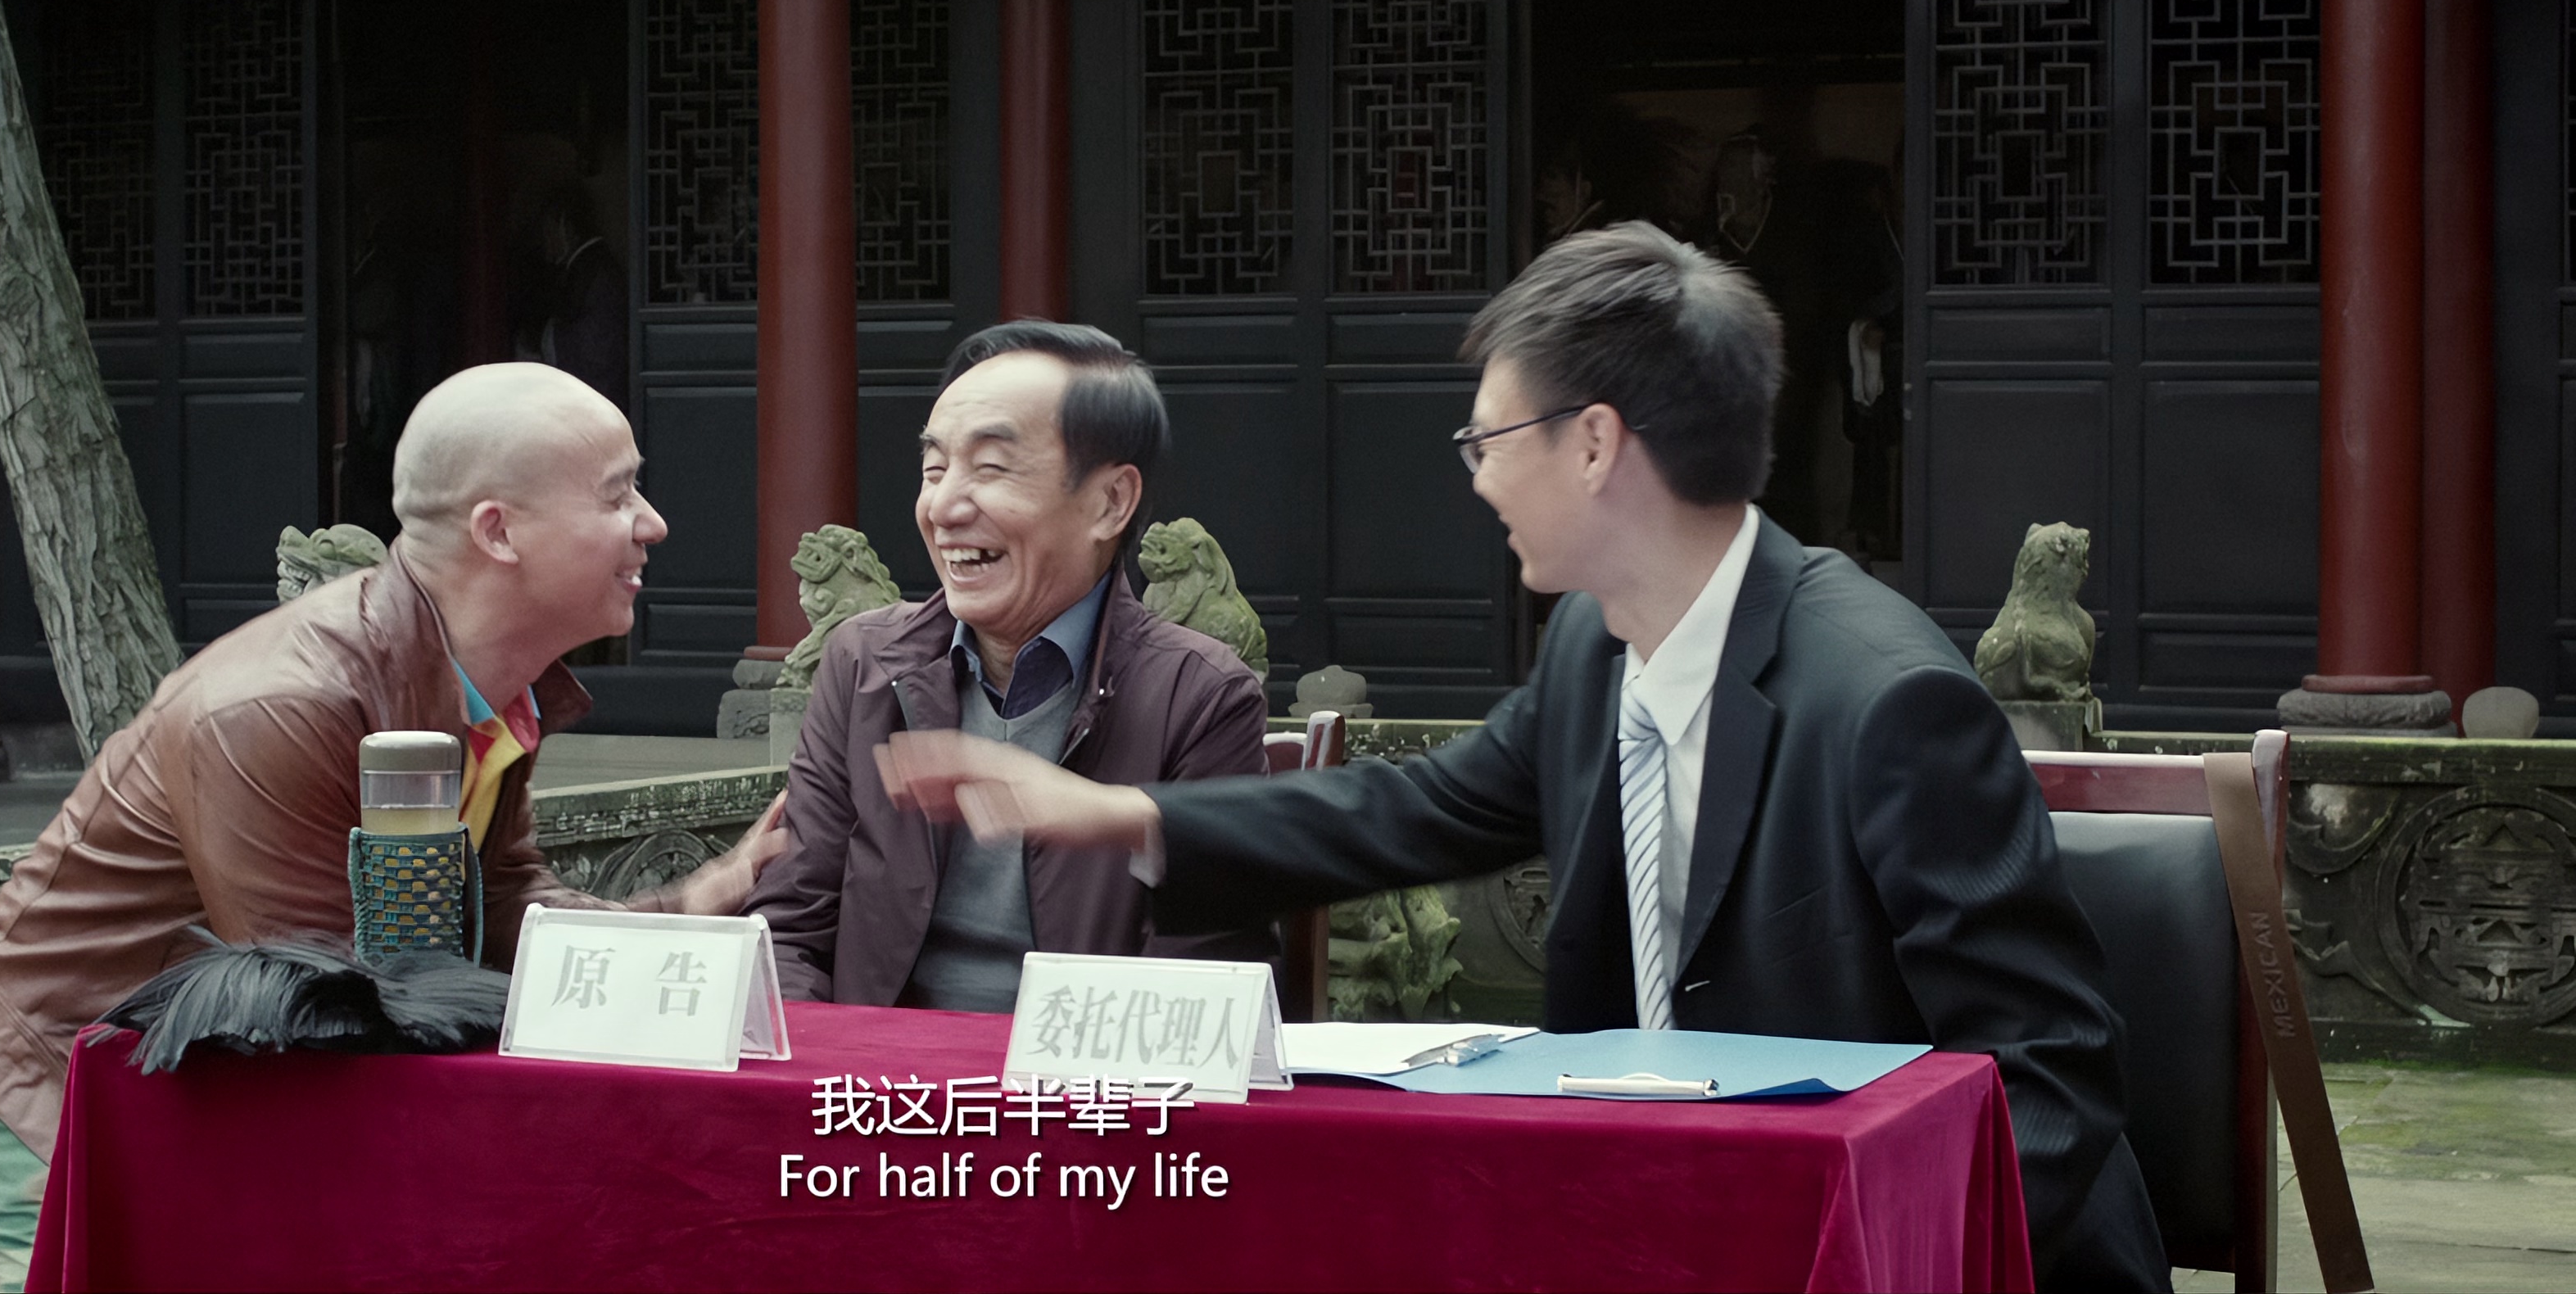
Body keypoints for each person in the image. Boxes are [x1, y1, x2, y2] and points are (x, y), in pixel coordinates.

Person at [872, 225, 2167, 1290]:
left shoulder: (1887, 702)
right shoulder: (1599, 647)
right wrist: (1125, 818)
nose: (1478, 482)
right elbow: (1417, 810)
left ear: (1593, 445)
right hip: (1683, 1221)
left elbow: (2047, 1079)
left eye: (1487, 443)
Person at [0, 363, 785, 1291]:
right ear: (498, 532)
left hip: (234, 1065)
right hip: (54, 1066)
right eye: (618, 496)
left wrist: (693, 906)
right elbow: (327, 1000)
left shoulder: (489, 681)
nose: (652, 524)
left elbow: (500, 904)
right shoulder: (281, 705)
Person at [743, 322, 1279, 1012]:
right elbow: (789, 932)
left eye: (992, 468)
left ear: (1110, 502)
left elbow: (1200, 984)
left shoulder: (1199, 695)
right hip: (873, 1073)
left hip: (1074, 1075)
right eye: (935, 469)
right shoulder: (863, 663)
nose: (944, 507)